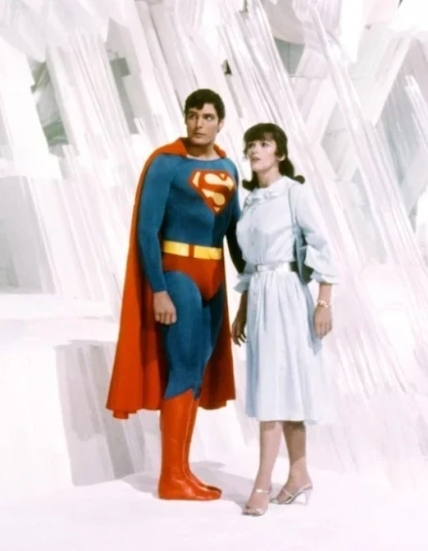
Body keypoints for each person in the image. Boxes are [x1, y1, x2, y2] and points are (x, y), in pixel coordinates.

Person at [105, 89, 244, 501]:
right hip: (178, 274)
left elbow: (234, 232)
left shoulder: (228, 167)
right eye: (193, 115)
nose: (199, 123)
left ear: (221, 122)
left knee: (197, 369)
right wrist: (159, 290)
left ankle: (182, 471)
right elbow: (146, 230)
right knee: (182, 368)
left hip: (213, 278)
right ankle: (170, 478)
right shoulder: (166, 163)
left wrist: (254, 282)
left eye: (207, 116)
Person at [231, 122, 337, 516]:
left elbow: (321, 245)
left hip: (288, 295)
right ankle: (299, 475)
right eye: (251, 145)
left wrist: (324, 302)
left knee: (278, 388)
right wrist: (242, 311)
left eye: (263, 144)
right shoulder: (252, 201)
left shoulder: (294, 192)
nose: (255, 150)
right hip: (260, 296)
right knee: (280, 385)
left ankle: (262, 482)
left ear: (279, 152)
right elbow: (250, 264)